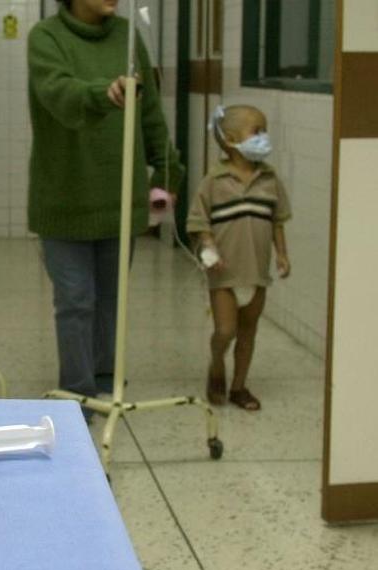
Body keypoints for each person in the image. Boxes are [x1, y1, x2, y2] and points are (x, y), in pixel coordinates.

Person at [27, 0, 183, 410]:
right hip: (65, 196)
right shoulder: (47, 38)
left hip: (120, 195)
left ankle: (105, 378)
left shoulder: (128, 37)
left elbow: (150, 111)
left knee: (112, 299)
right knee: (76, 299)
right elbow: (57, 92)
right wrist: (105, 93)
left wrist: (167, 170)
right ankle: (77, 394)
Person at [188, 104, 291, 411]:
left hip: (257, 272)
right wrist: (209, 250)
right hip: (224, 273)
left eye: (265, 131)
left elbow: (277, 220)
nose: (263, 138)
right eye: (257, 131)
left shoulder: (270, 179)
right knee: (225, 331)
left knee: (248, 332)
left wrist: (282, 254)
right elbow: (198, 223)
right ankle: (217, 361)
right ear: (231, 139)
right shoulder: (214, 181)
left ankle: (239, 386)